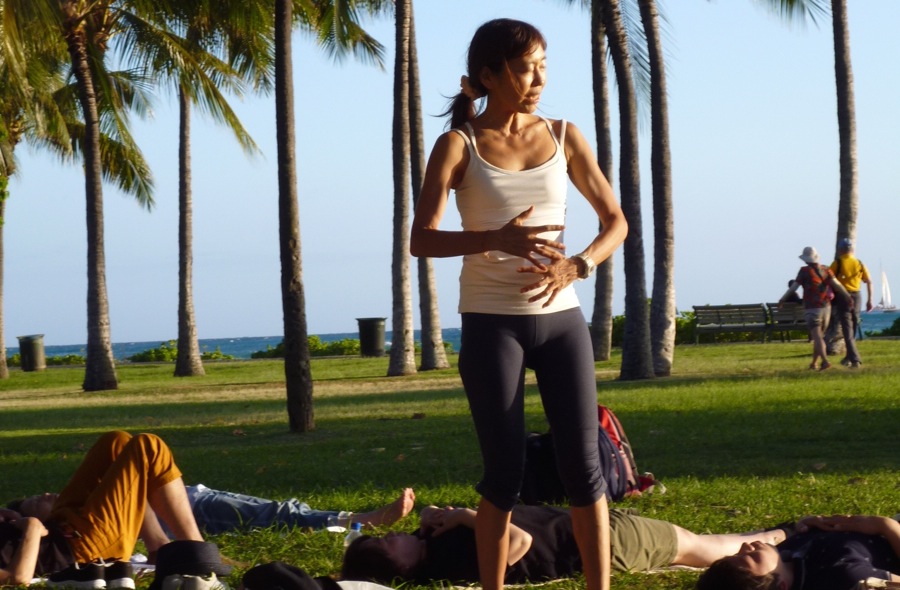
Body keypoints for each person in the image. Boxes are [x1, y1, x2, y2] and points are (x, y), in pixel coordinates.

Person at [409, 18, 628, 590]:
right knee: (504, 473)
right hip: (491, 324)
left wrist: (578, 265)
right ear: (490, 74)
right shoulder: (459, 145)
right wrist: (491, 239)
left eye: (543, 67)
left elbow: (615, 222)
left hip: (562, 322)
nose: (538, 79)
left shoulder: (564, 135)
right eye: (527, 68)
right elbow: (421, 238)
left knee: (585, 470)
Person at [341, 504, 790, 585]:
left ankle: (775, 537)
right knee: (695, 546)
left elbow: (426, 515)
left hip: (584, 525)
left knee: (694, 543)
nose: (392, 536)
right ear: (398, 570)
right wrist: (462, 516)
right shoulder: (448, 562)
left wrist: (430, 516)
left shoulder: (427, 543)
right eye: (386, 546)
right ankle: (778, 540)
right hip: (597, 543)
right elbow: (514, 542)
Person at [0, 431, 213, 588]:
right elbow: (17, 577)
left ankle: (158, 548)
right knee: (149, 447)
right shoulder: (34, 529)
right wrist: (32, 527)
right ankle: (200, 561)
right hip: (80, 548)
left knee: (116, 442)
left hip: (62, 522)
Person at [696, 514, 900, 590]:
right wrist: (886, 526)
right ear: (781, 586)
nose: (745, 547)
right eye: (749, 557)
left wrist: (809, 526)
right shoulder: (844, 578)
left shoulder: (787, 555)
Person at [780, 246, 839, 371]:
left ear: (805, 259)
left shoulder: (804, 271)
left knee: (817, 337)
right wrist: (847, 297)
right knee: (819, 337)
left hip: (812, 309)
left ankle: (825, 361)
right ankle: (814, 363)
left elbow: (794, 288)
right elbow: (837, 285)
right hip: (826, 308)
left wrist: (782, 299)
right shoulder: (826, 269)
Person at [829, 237, 873, 367]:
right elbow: (869, 281)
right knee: (852, 328)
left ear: (841, 249)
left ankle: (855, 359)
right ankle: (848, 358)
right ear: (852, 250)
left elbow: (829, 279)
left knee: (847, 330)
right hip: (857, 296)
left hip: (843, 297)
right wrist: (870, 299)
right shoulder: (859, 263)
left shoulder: (837, 263)